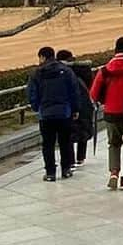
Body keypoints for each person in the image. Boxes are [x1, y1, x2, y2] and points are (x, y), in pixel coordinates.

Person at [90, 35, 123, 190]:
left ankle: (114, 172)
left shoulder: (104, 71)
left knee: (113, 143)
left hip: (111, 112)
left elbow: (93, 94)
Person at [27, 46, 79, 182]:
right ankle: (66, 169)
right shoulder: (66, 71)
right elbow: (74, 91)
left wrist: (37, 107)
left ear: (43, 57)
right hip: (64, 113)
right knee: (65, 142)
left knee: (48, 144)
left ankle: (50, 172)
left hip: (46, 114)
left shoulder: (36, 74)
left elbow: (32, 94)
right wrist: (75, 109)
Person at [56, 49, 94, 167]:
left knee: (68, 133)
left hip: (67, 104)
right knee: (83, 128)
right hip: (84, 103)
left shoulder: (59, 72)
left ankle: (70, 160)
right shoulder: (82, 69)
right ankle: (81, 158)